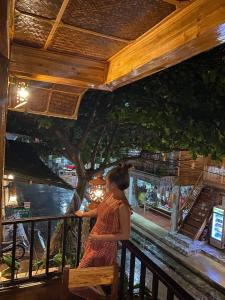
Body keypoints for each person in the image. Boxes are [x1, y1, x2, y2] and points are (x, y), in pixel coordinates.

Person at [73, 164, 132, 299]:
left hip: (104, 248)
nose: (105, 184)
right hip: (94, 243)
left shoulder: (123, 206)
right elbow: (99, 210)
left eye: (106, 181)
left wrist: (99, 238)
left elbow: (125, 234)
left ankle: (102, 298)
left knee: (76, 283)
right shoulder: (109, 195)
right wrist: (84, 214)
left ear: (113, 185)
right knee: (90, 279)